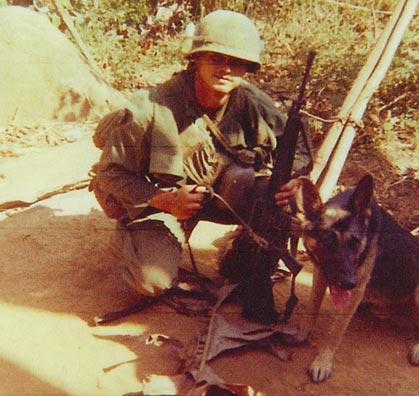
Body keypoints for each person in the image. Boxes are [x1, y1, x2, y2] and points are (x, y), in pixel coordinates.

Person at [90, 10, 311, 310]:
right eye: (216, 58)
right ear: (196, 58)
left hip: (220, 194)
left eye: (236, 62)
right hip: (165, 200)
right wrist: (164, 201)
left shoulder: (252, 103)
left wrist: (294, 177)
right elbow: (109, 173)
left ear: (248, 67)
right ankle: (131, 239)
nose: (226, 69)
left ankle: (245, 251)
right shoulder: (149, 108)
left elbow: (295, 146)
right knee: (151, 281)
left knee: (261, 188)